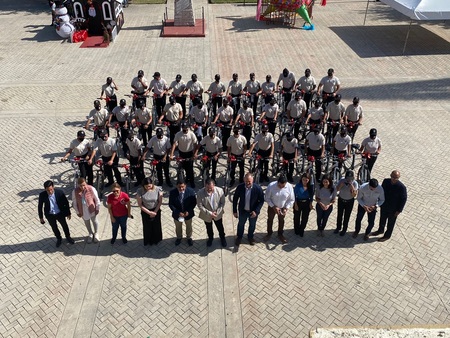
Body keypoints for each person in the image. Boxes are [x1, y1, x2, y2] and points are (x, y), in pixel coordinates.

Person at [371, 170, 407, 242]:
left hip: (394, 209)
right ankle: (380, 230)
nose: (393, 179)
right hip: (384, 206)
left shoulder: (401, 187)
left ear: (399, 177)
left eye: (396, 178)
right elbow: (381, 191)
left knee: (390, 223)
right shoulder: (386, 181)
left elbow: (403, 199)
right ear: (390, 175)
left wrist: (399, 210)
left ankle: (387, 236)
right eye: (392, 177)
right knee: (382, 219)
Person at [38, 180, 74, 247]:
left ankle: (68, 237)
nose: (50, 192)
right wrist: (41, 217)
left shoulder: (59, 192)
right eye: (48, 190)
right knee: (54, 227)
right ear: (45, 189)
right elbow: (40, 206)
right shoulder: (42, 195)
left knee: (64, 225)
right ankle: (59, 238)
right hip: (50, 215)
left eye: (51, 189)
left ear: (53, 187)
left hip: (60, 213)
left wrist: (68, 213)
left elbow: (66, 203)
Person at [232, 173, 264, 246]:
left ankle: (250, 237)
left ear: (252, 180)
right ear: (244, 180)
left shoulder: (258, 188)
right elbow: (235, 198)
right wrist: (234, 211)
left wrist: (256, 211)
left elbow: (261, 200)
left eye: (249, 181)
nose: (247, 183)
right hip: (243, 211)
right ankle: (239, 237)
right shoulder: (240, 187)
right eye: (246, 181)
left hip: (253, 212)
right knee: (241, 224)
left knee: (252, 225)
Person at [263, 175, 295, 243]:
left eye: (283, 186)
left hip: (283, 207)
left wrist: (286, 208)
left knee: (281, 220)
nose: (281, 187)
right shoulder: (271, 186)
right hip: (272, 207)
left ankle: (280, 234)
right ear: (278, 182)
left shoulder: (289, 187)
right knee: (270, 220)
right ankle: (269, 233)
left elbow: (291, 199)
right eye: (280, 186)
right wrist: (273, 206)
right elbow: (267, 198)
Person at [197, 178, 227, 247]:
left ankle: (222, 238)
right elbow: (200, 206)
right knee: (209, 228)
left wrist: (217, 212)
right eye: (207, 188)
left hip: (217, 214)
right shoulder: (200, 193)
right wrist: (210, 213)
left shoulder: (220, 191)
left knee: (220, 227)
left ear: (214, 185)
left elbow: (222, 203)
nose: (209, 190)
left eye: (211, 188)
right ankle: (210, 238)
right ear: (205, 185)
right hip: (206, 215)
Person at [72, 177, 101, 243]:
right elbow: (74, 203)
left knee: (94, 220)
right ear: (78, 185)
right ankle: (90, 233)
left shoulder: (91, 188)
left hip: (91, 208)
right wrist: (77, 212)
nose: (82, 187)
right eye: (80, 185)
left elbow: (97, 199)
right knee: (86, 222)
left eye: (84, 185)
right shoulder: (75, 191)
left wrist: (97, 208)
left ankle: (96, 233)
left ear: (86, 183)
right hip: (83, 210)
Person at [169, 179, 197, 246]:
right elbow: (171, 204)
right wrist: (178, 212)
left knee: (189, 226)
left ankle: (189, 237)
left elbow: (193, 203)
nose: (181, 188)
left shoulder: (191, 191)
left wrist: (188, 211)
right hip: (177, 214)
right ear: (176, 186)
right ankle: (179, 237)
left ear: (185, 186)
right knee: (178, 227)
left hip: (188, 214)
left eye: (182, 187)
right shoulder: (172, 192)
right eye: (179, 187)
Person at [170, 122, 198, 188]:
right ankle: (181, 181)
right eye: (183, 128)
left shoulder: (191, 134)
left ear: (188, 127)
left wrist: (194, 154)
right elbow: (174, 144)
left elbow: (195, 144)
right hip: (181, 153)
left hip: (189, 153)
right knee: (181, 168)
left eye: (186, 128)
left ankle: (191, 181)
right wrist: (171, 154)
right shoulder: (178, 134)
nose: (184, 129)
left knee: (190, 168)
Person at [136, 177, 163, 246]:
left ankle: (156, 239)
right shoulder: (140, 191)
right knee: (147, 227)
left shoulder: (157, 189)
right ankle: (149, 240)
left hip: (156, 210)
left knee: (156, 226)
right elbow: (140, 204)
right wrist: (149, 212)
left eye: (149, 186)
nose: (148, 187)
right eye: (146, 186)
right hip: (145, 211)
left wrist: (155, 212)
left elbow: (160, 202)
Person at [334, 170, 359, 236]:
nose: (348, 180)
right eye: (347, 178)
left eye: (350, 178)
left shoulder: (355, 183)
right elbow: (337, 189)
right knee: (339, 215)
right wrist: (341, 185)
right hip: (341, 200)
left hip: (349, 201)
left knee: (346, 216)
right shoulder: (342, 180)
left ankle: (344, 229)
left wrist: (352, 187)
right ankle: (338, 227)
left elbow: (354, 195)